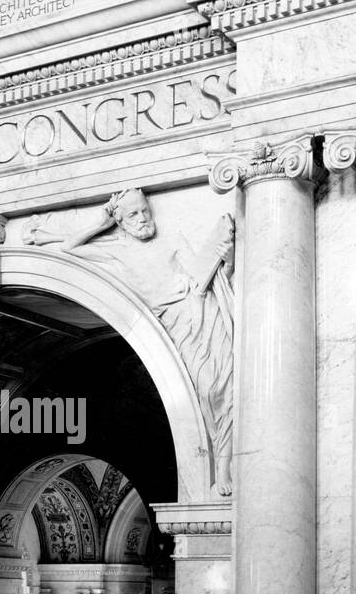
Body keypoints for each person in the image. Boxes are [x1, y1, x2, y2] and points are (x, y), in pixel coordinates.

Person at [24, 189, 235, 494]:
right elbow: (69, 249)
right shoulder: (117, 251)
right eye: (133, 214)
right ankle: (218, 470)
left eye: (145, 211)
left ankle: (224, 470)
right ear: (119, 221)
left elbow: (203, 275)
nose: (143, 219)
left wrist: (225, 262)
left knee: (221, 392)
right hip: (173, 327)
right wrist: (99, 225)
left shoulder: (173, 240)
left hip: (201, 314)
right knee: (205, 391)